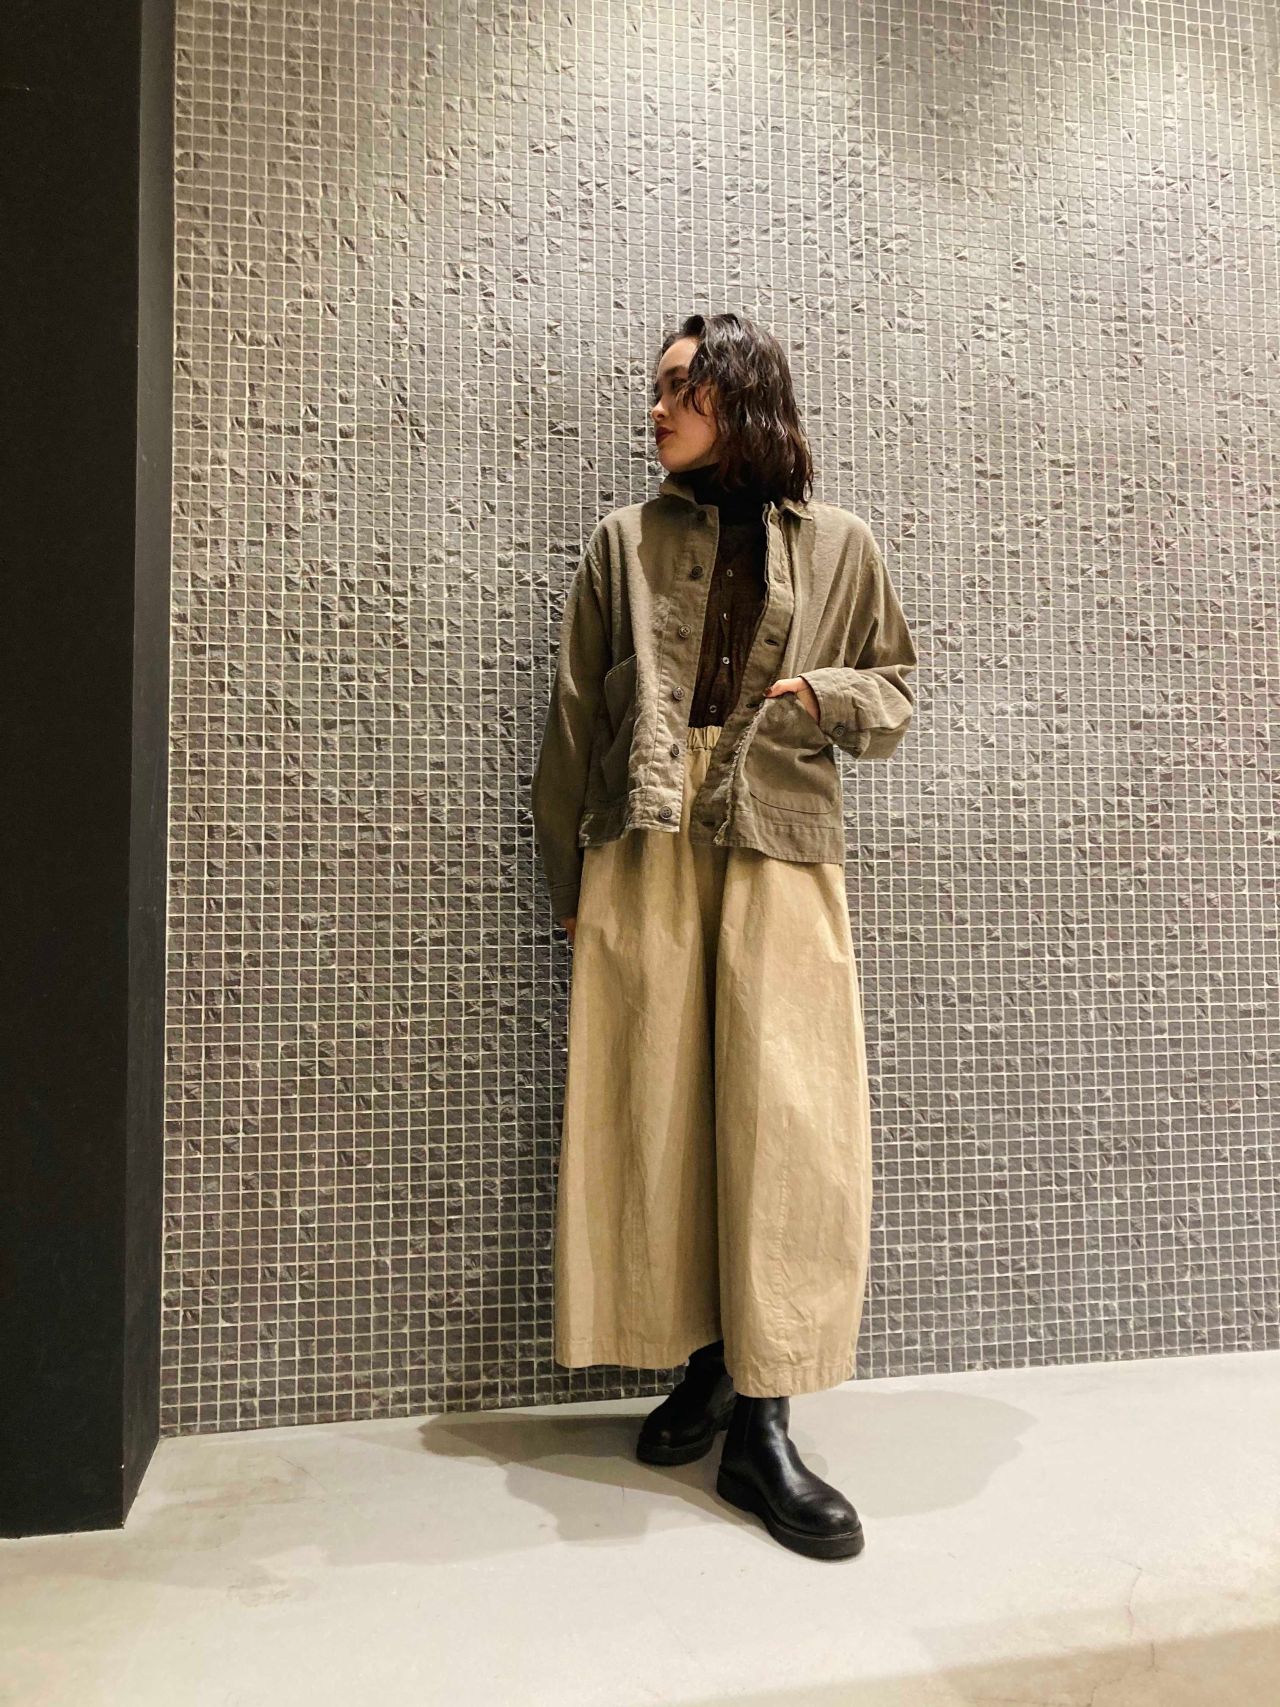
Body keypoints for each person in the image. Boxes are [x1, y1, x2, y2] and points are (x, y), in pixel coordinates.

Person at [531, 311, 918, 1560]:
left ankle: (762, 1420)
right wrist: (569, 880)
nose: (654, 411)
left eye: (678, 389)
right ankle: (702, 1362)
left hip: (777, 840)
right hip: (642, 840)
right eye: (654, 390)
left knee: (784, 1120)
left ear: (740, 397)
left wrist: (818, 692)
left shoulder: (841, 544)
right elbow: (574, 719)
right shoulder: (623, 541)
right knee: (657, 1106)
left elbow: (895, 692)